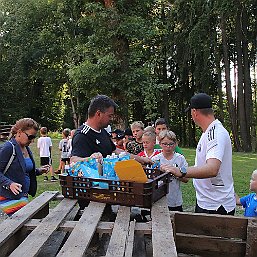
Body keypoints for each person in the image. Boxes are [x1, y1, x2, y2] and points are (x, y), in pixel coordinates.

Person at [70, 95, 152, 209]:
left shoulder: (102, 132)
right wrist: (90, 158)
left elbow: (116, 151)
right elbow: (73, 160)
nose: (111, 118)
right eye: (110, 115)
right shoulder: (82, 135)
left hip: (107, 192)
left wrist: (142, 159)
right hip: (91, 197)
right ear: (98, 113)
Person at [161, 93, 236, 215]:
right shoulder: (208, 132)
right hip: (207, 201)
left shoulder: (215, 134)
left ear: (195, 112)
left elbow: (212, 169)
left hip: (216, 206)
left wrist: (181, 171)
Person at [0, 118, 50, 216]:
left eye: (34, 137)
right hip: (8, 197)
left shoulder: (26, 148)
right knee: (23, 224)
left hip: (21, 196)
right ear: (19, 132)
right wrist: (9, 183)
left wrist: (39, 171)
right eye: (30, 137)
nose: (32, 141)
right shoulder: (9, 147)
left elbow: (21, 171)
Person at [152, 130, 188, 211]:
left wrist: (175, 173)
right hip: (159, 199)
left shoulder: (180, 158)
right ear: (160, 144)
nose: (168, 147)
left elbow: (186, 179)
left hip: (175, 200)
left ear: (175, 144)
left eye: (171, 144)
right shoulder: (156, 159)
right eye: (165, 144)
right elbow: (151, 179)